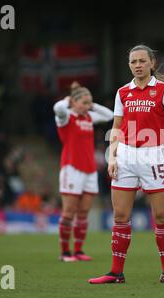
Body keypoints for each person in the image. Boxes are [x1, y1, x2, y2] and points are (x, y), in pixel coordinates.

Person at [88, 45, 164, 284]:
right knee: (120, 216)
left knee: (162, 217)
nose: (138, 65)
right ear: (129, 65)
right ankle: (116, 273)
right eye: (133, 61)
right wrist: (112, 156)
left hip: (153, 156)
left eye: (142, 61)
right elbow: (116, 127)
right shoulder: (123, 92)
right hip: (125, 156)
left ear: (152, 63)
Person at [54, 82, 113, 261]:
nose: (87, 106)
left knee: (84, 211)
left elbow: (109, 115)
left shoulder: (88, 117)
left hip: (90, 170)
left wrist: (92, 105)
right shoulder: (65, 117)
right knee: (69, 211)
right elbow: (57, 107)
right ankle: (65, 252)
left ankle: (78, 250)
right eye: (84, 102)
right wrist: (68, 100)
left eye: (89, 103)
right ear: (74, 101)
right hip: (71, 168)